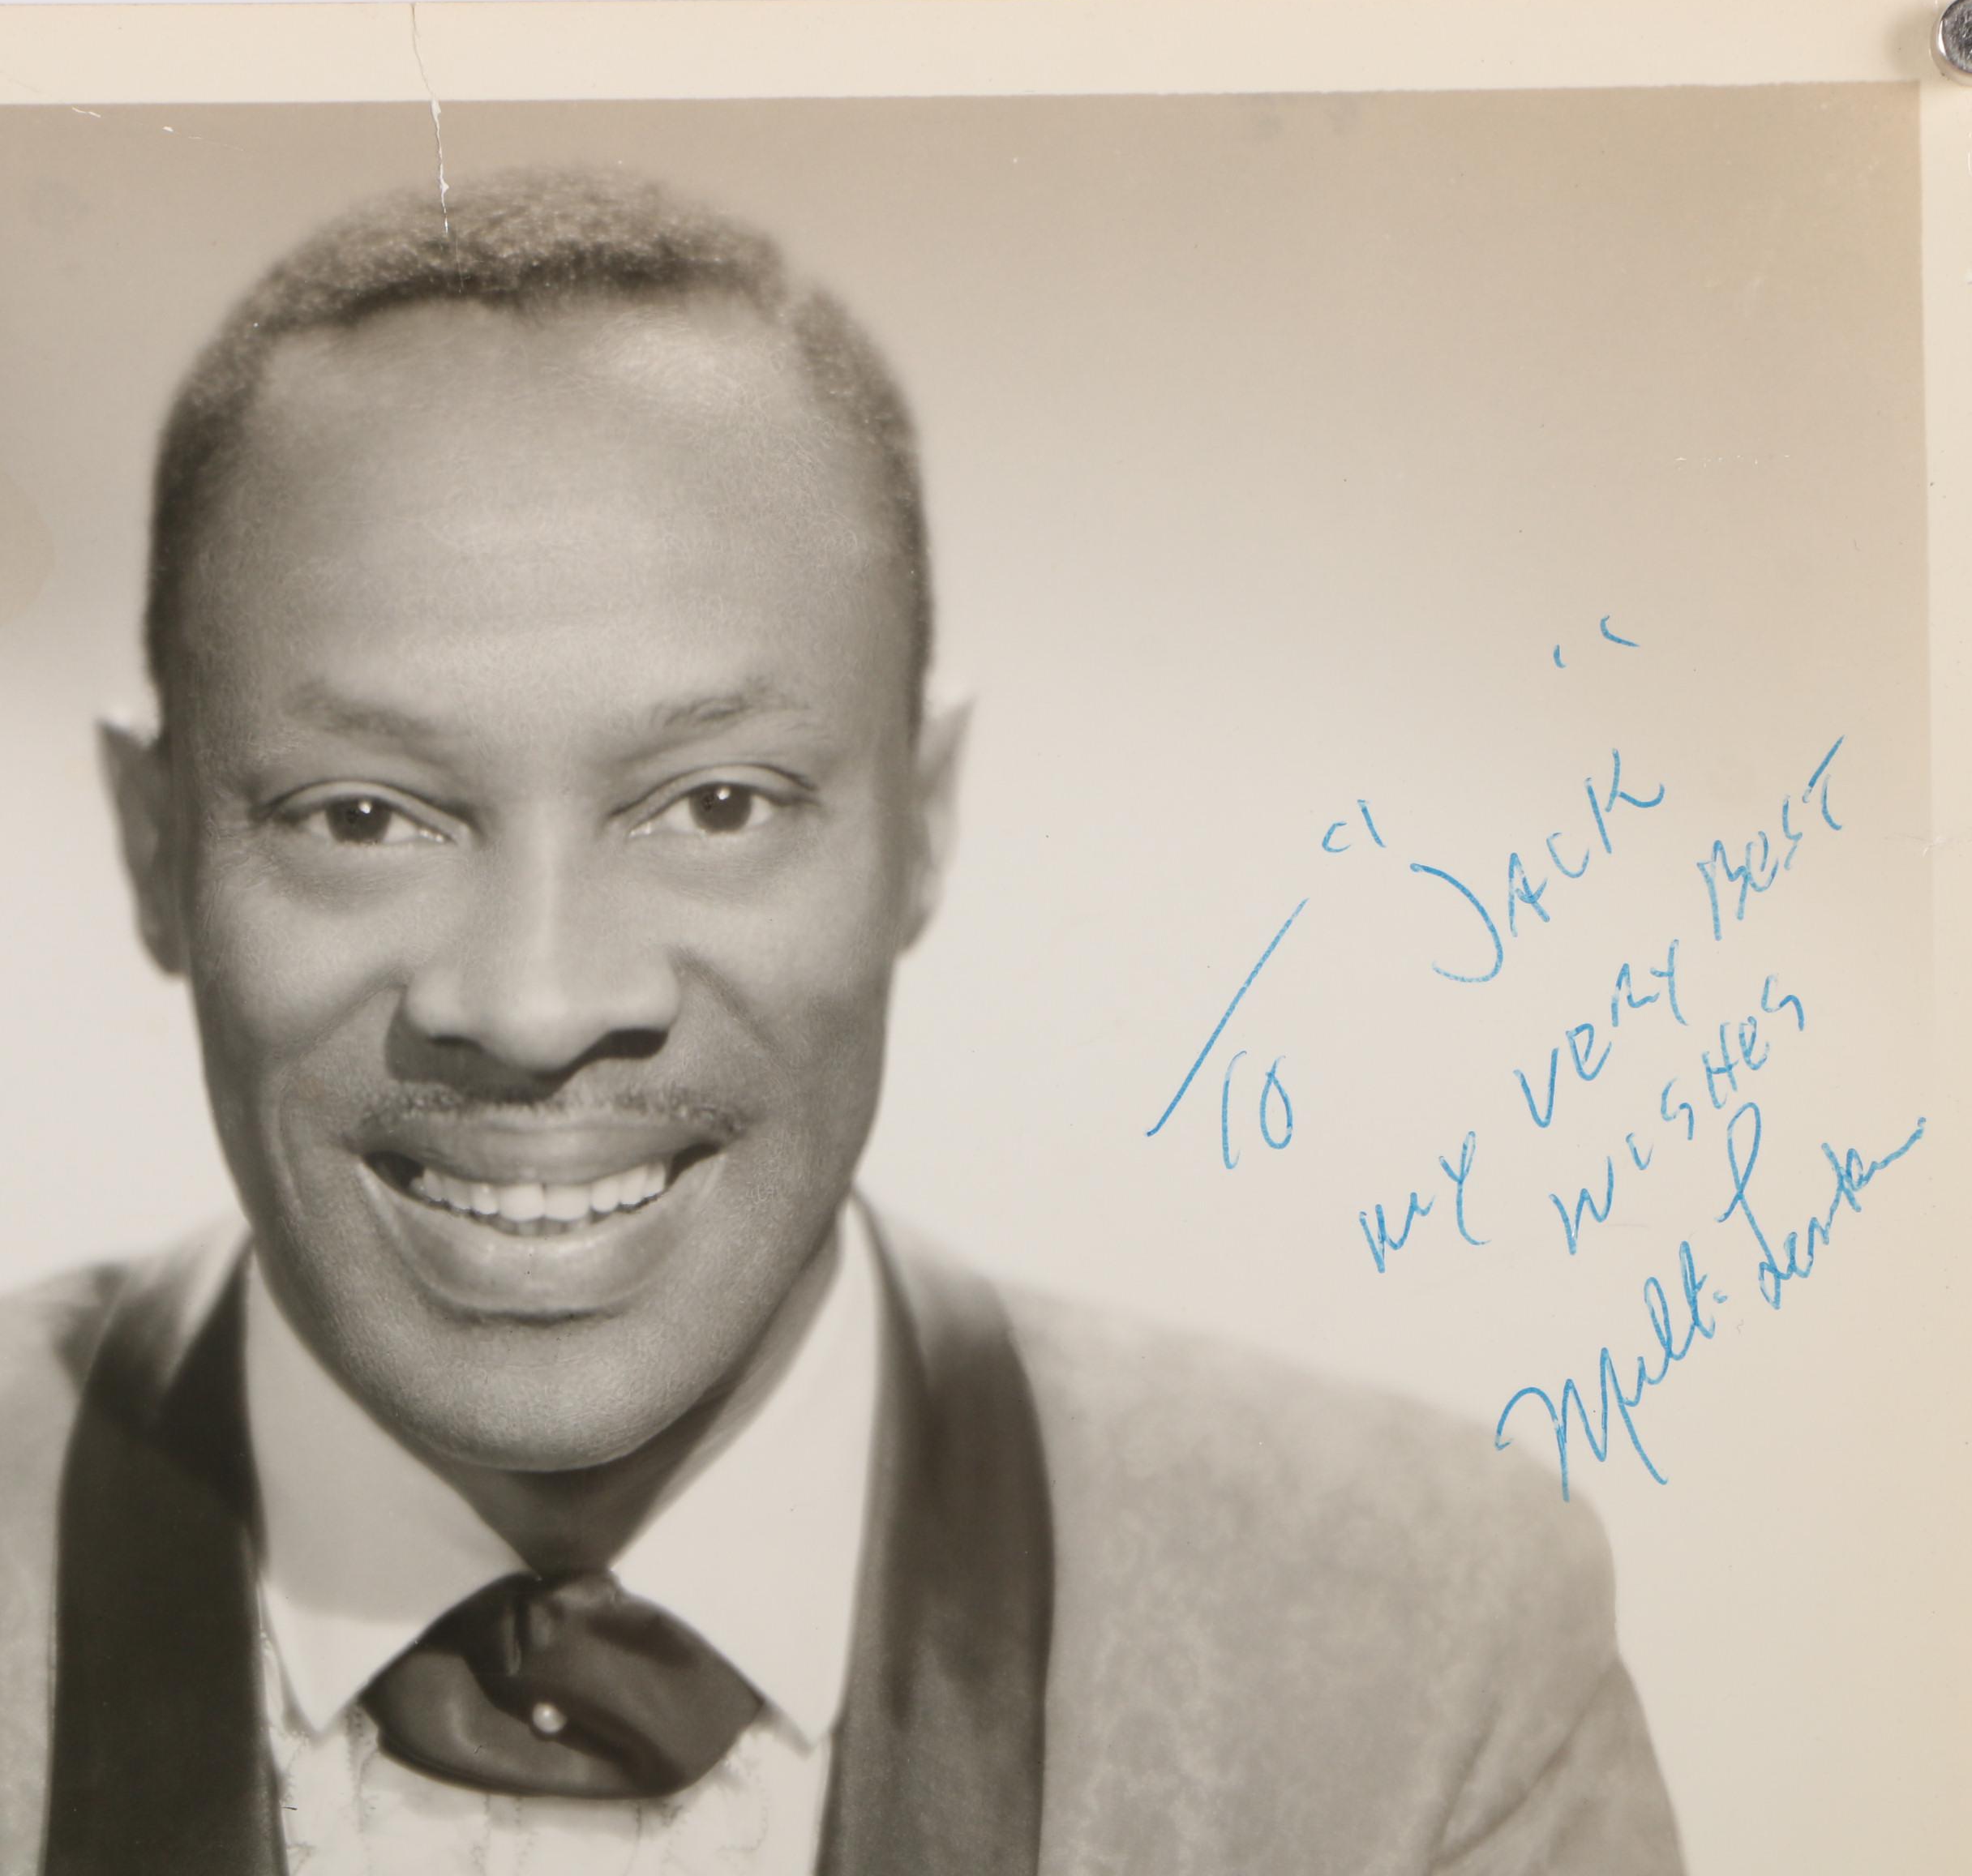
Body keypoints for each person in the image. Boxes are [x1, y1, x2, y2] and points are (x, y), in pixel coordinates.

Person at [0, 170, 1683, 1875]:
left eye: (715, 802)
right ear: (153, 847)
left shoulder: (1421, 1645)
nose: (534, 1003)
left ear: (922, 827)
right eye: (362, 817)